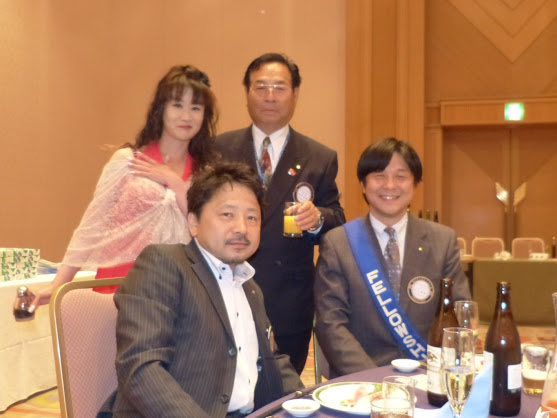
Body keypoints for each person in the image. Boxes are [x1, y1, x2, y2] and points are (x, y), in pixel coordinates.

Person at [98, 162, 304, 418]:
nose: (242, 228)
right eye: (227, 214)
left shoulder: (249, 286)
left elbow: (273, 362)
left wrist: (309, 403)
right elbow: (141, 366)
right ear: (193, 222)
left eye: (252, 217)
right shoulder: (165, 264)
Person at [27, 65, 218, 312]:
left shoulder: (206, 173)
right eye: (177, 105)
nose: (186, 116)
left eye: (196, 108)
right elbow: (92, 225)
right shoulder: (126, 161)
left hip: (175, 289)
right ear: (161, 108)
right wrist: (59, 282)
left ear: (205, 115)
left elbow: (207, 233)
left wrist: (174, 182)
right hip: (117, 285)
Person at [215, 52, 345, 374]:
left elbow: (337, 220)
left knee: (282, 390)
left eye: (279, 87)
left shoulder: (319, 157)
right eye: (261, 87)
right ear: (247, 93)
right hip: (225, 294)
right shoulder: (218, 150)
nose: (270, 96)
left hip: (289, 303)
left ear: (295, 94)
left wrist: (317, 219)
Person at [314, 137, 471, 378]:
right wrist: (374, 379)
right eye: (379, 176)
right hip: (360, 379)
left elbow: (458, 315)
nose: (390, 185)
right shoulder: (338, 243)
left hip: (427, 374)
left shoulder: (443, 240)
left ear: (415, 184)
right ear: (363, 185)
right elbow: (331, 324)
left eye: (400, 176)